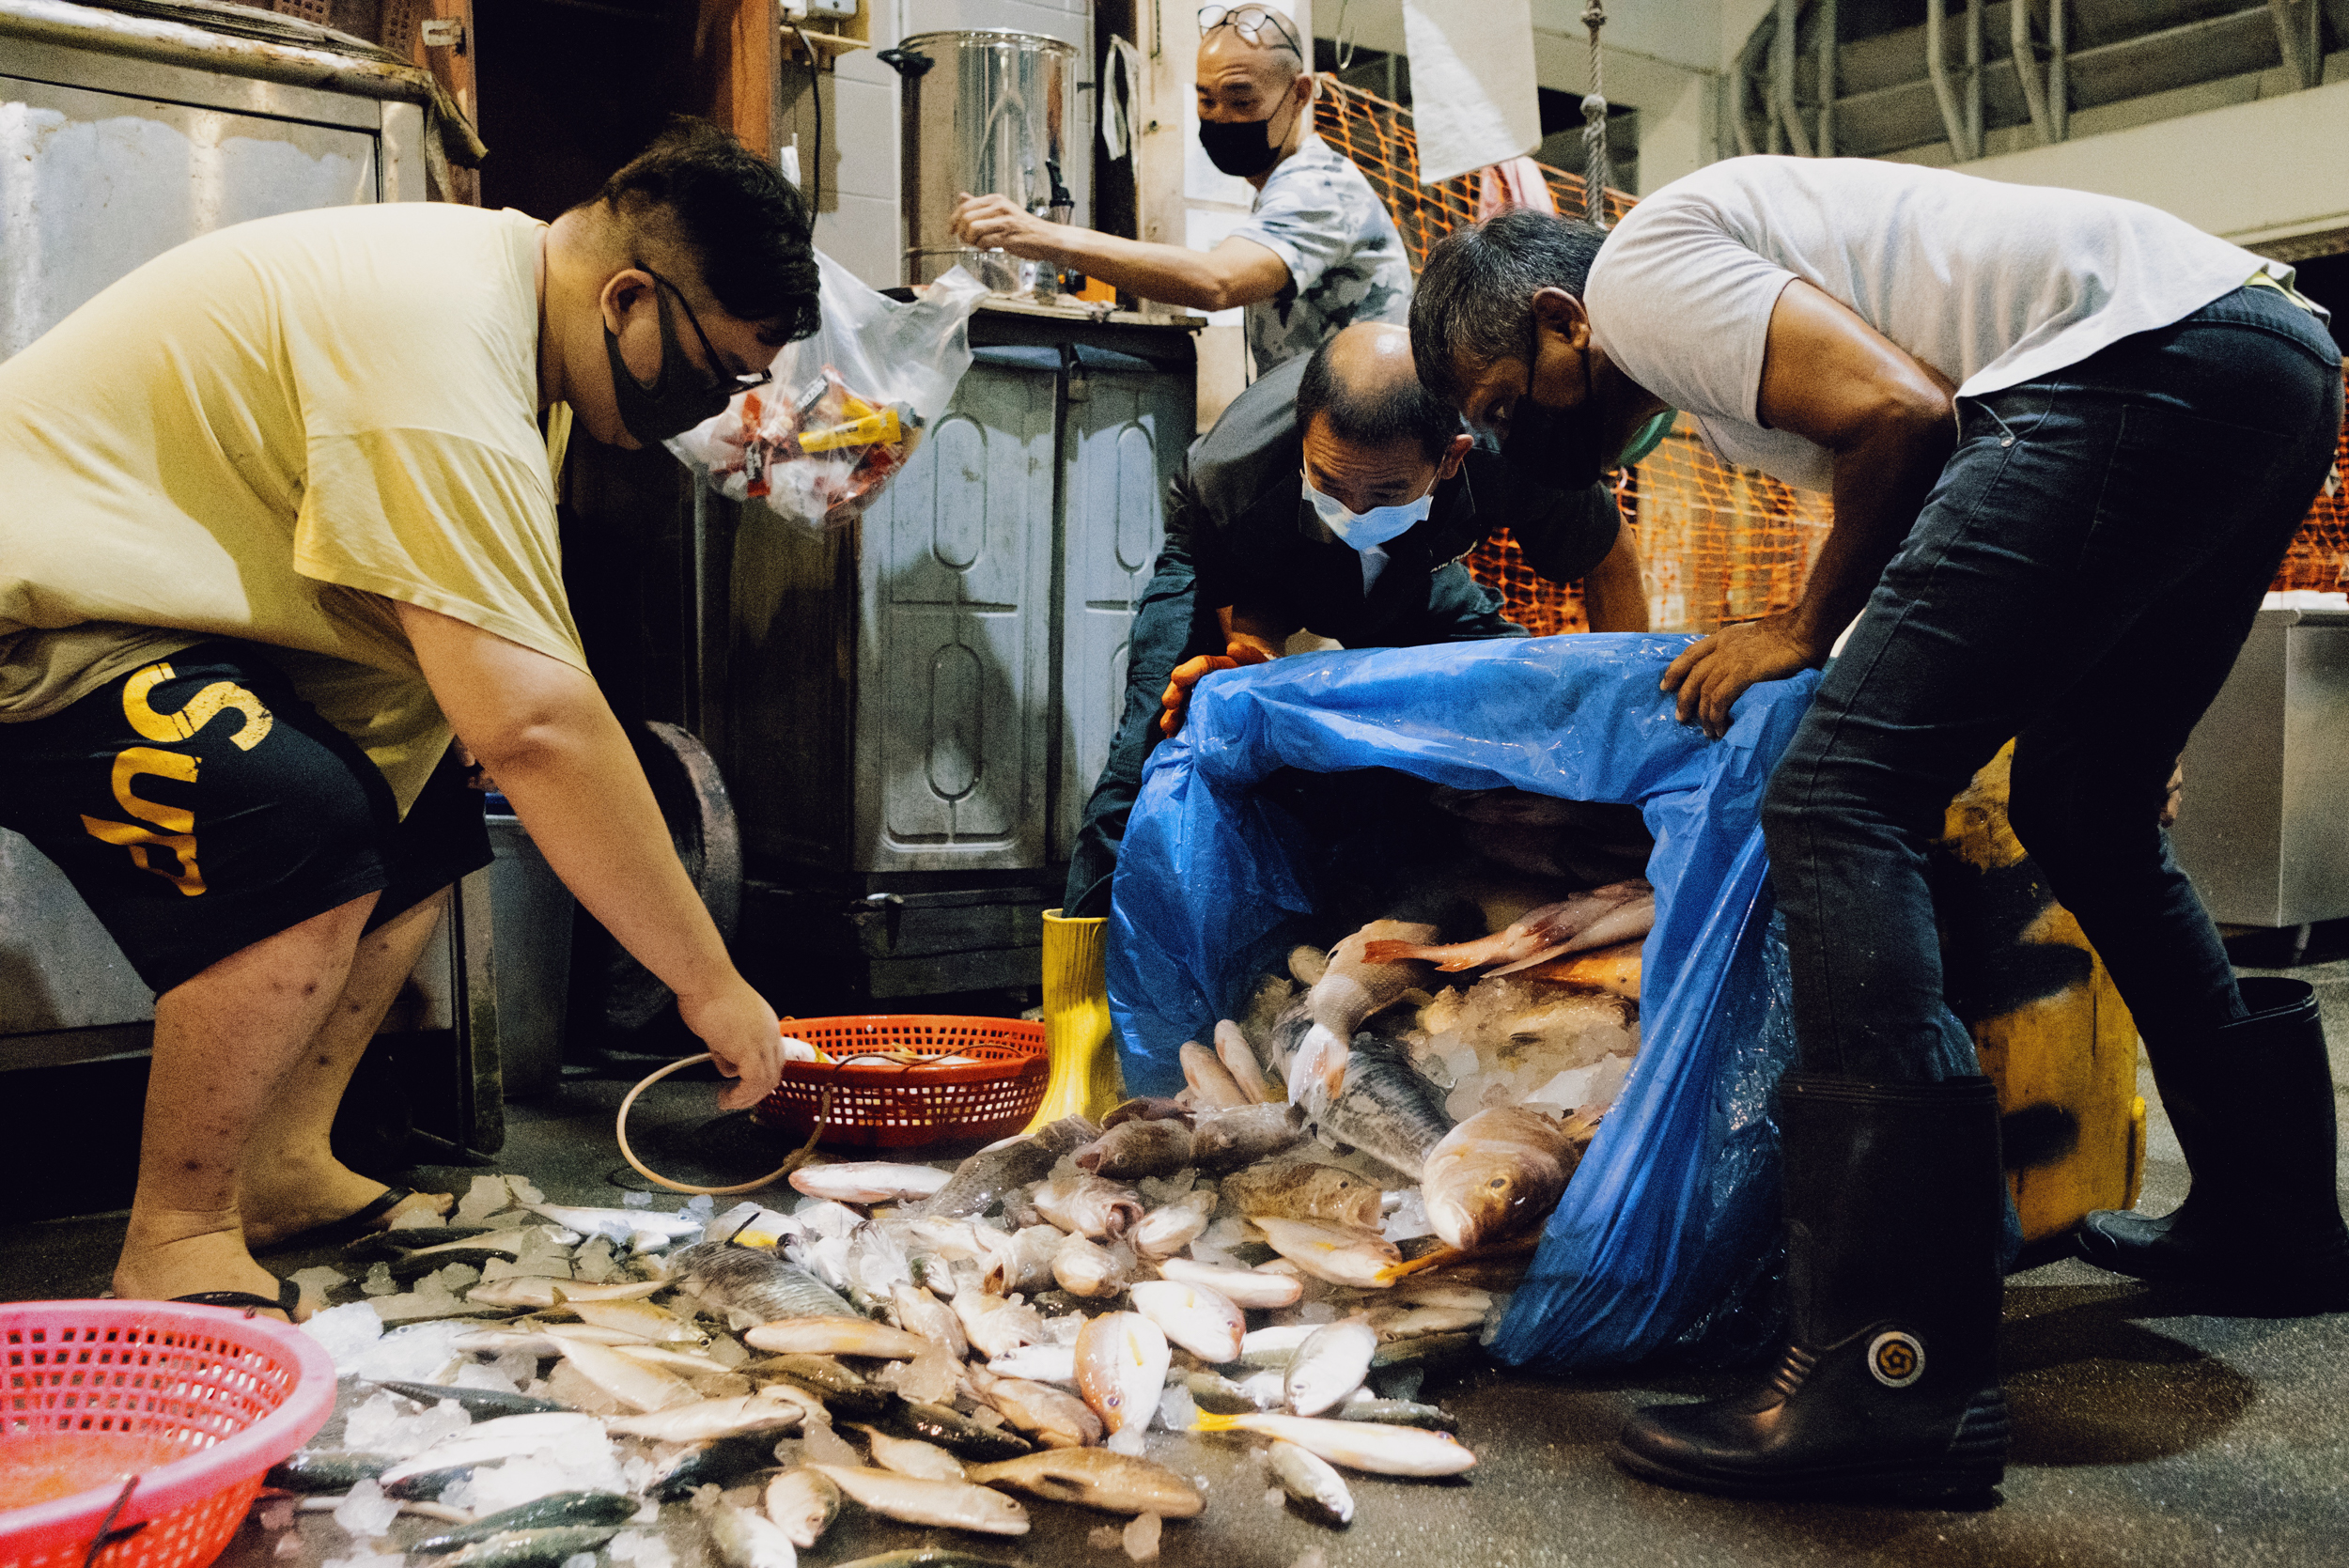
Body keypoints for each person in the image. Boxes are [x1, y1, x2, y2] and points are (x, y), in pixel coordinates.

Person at [1408, 162, 2346, 1501]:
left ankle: (1885, 1366)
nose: (1515, 438)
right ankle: (2275, 1222)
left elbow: (1904, 420)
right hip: (2265, 359)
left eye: (1508, 403)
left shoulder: (1639, 284)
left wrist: (1795, 635)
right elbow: (1964, 504)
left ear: (1564, 321)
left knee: (1840, 798)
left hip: (2142, 366)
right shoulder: (1722, 346)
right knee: (2084, 803)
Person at [0, 118, 802, 1316]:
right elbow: (537, 721)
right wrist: (709, 982)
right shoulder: (441, 350)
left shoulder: (511, 332)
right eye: (710, 373)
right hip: (37, 623)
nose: (709, 408)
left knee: (425, 806)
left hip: (155, 612)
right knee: (299, 820)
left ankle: (279, 1167)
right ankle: (174, 1236)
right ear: (628, 296)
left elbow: (493, 700)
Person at [1061, 320, 1646, 920]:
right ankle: (1085, 982)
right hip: (1252, 563)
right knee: (1157, 750)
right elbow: (1252, 616)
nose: (1355, 512)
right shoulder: (1236, 471)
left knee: (1509, 709)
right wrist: (1252, 667)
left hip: (1412, 567)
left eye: (1387, 491)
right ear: (1304, 436)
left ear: (1451, 458)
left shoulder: (1507, 444)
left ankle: (1419, 895)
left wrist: (1626, 714)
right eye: (1332, 484)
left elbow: (1607, 555)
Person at [949, 3, 1411, 375]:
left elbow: (1218, 281)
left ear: (1300, 93)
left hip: (1381, 437)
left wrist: (1043, 237)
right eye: (1206, 99)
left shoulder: (1320, 188)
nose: (1220, 117)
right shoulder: (1277, 188)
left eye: (1242, 100)